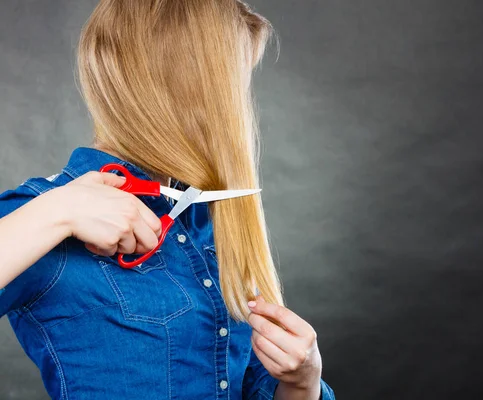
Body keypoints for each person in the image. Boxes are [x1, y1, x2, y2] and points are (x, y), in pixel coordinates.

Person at [0, 1, 335, 399]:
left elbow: (253, 385)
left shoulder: (208, 223)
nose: (235, 113)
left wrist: (302, 382)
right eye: (229, 90)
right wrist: (60, 210)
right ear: (176, 87)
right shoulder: (41, 213)